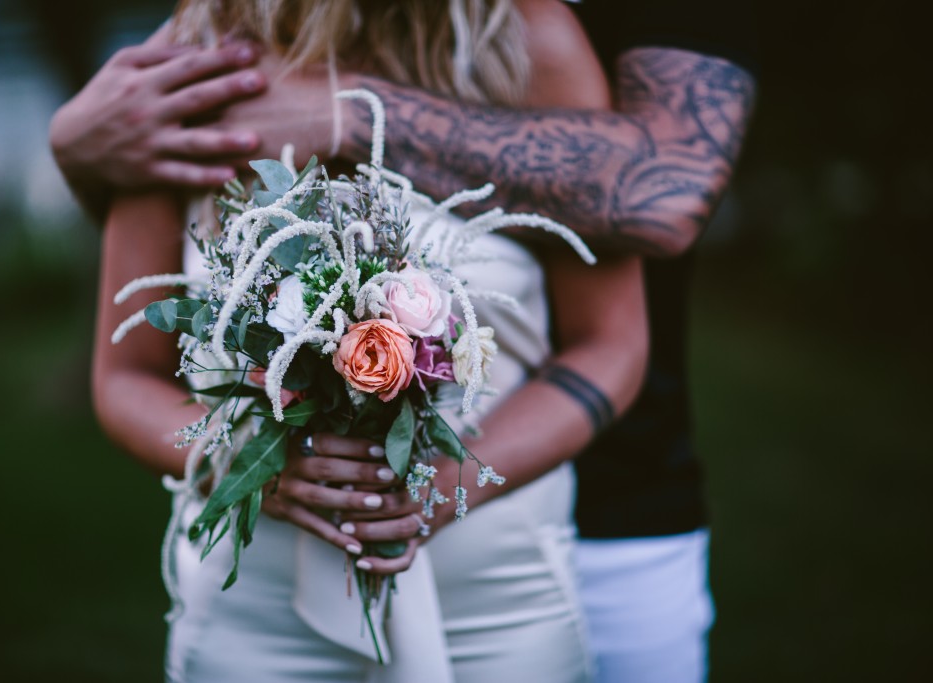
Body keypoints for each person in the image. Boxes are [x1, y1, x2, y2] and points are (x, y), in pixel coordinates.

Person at [57, 1, 759, 679]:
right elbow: (125, 377)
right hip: (253, 610)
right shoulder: (196, 58)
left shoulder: (533, 46)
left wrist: (441, 491)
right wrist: (249, 466)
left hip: (497, 599)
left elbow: (611, 343)